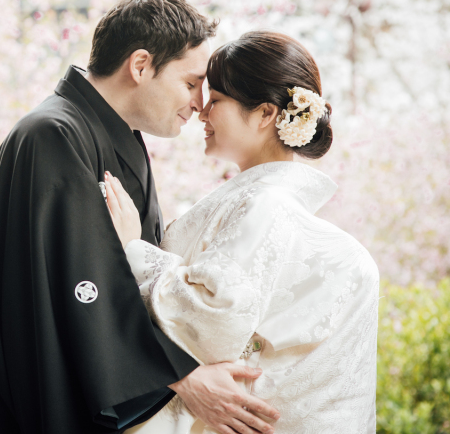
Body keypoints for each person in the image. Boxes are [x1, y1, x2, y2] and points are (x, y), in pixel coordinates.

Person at [0, 0, 281, 434]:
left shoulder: (111, 139)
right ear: (140, 66)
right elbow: (77, 287)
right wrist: (182, 375)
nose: (200, 103)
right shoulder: (51, 136)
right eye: (190, 83)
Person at [104, 31, 379, 434]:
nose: (200, 112)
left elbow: (215, 316)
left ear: (266, 114)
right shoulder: (272, 203)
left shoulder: (265, 203)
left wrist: (132, 249)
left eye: (215, 101)